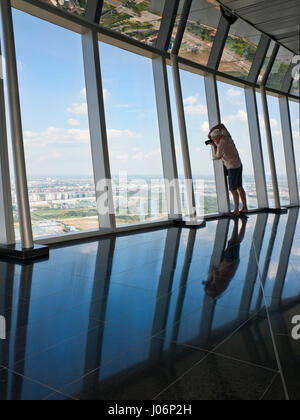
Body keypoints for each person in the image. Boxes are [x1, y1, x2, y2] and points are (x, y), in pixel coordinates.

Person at [208, 123, 248, 216]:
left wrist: (214, 146)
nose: (213, 140)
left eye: (213, 138)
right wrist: (210, 132)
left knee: (233, 190)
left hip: (232, 168)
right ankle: (245, 207)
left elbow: (217, 157)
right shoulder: (227, 136)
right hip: (238, 164)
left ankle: (236, 210)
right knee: (239, 187)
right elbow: (222, 125)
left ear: (217, 137)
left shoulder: (221, 145)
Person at [204, 217, 247, 299]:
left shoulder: (222, 287)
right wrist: (213, 273)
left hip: (232, 262)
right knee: (233, 241)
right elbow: (215, 273)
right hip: (229, 261)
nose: (210, 286)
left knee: (236, 242)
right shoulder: (218, 285)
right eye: (210, 288)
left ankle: (242, 223)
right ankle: (237, 222)